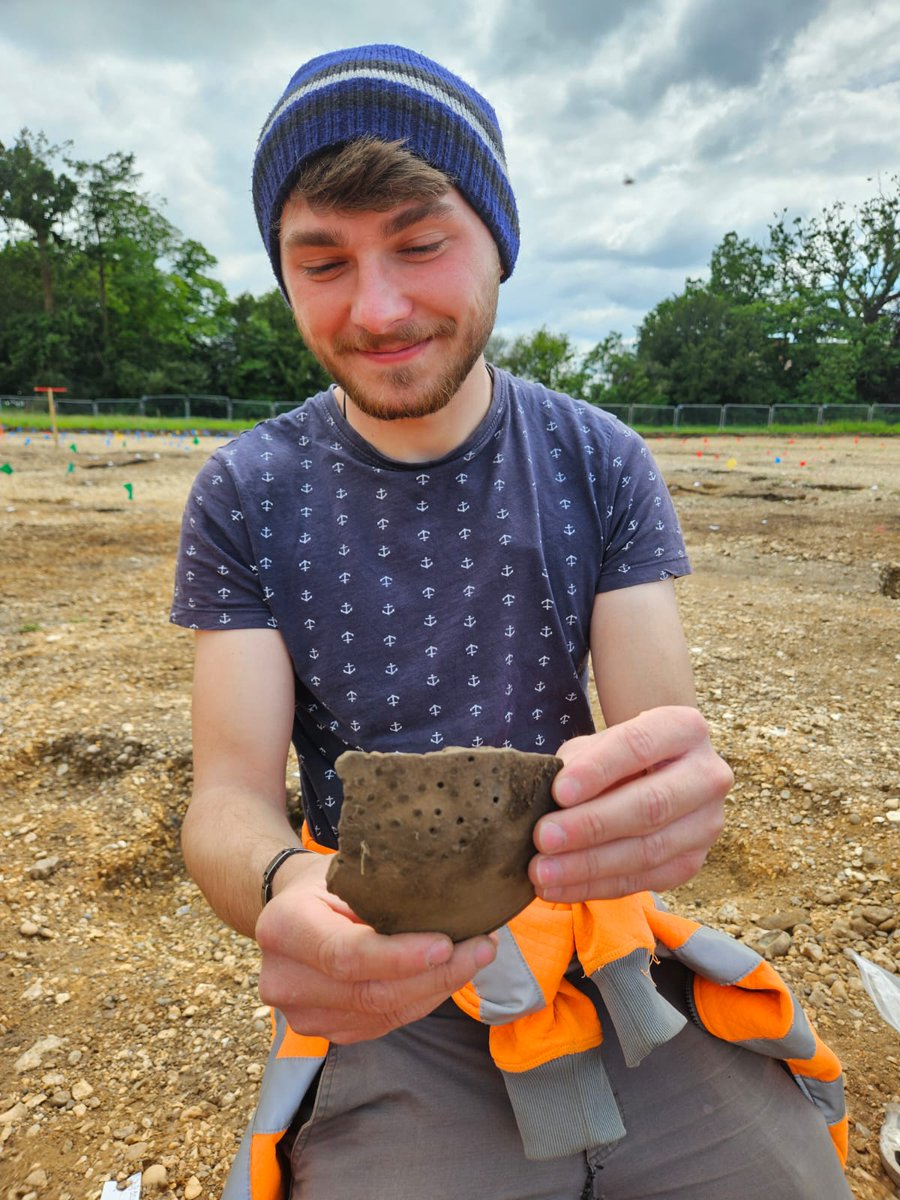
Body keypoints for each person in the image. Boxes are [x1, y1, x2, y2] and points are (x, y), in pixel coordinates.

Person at [171, 44, 851, 1200]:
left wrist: (668, 804)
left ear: (497, 239)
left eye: (421, 244)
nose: (377, 308)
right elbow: (228, 796)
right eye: (323, 260)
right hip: (390, 968)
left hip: (599, 939)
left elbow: (659, 735)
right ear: (283, 273)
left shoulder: (597, 459)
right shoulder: (246, 491)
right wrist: (288, 883)